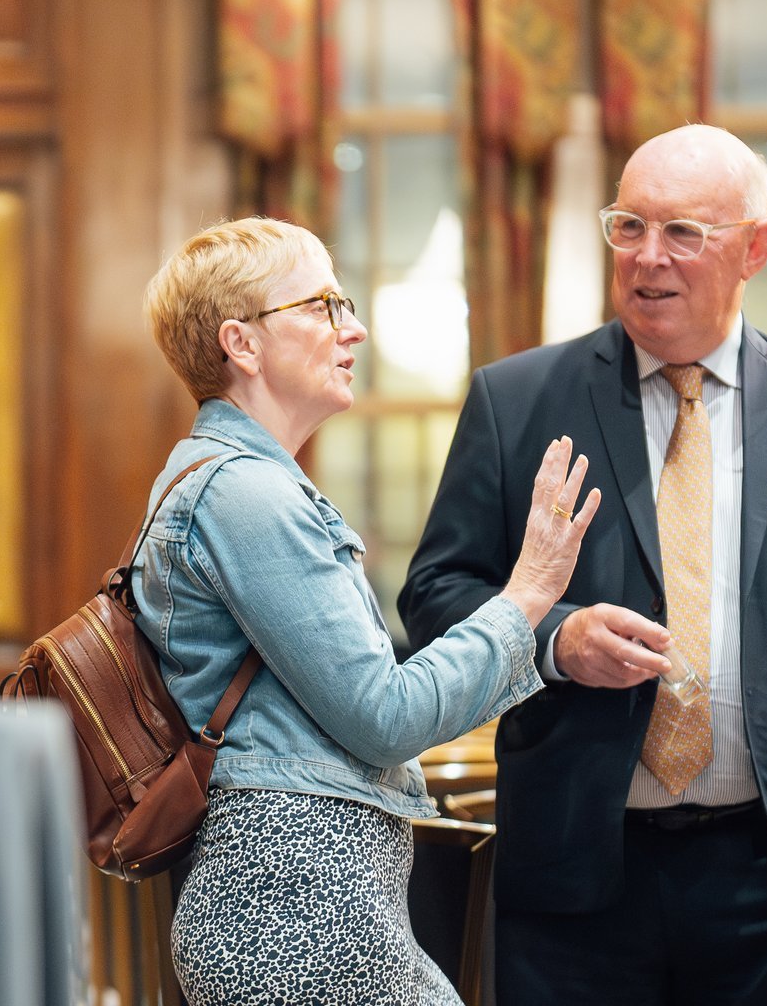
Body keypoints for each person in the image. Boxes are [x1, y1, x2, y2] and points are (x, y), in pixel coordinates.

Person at [399, 124, 767, 1006]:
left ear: (755, 248)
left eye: (681, 233)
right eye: (628, 227)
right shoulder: (515, 402)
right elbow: (435, 597)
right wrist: (553, 640)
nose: (645, 258)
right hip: (577, 874)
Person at [134, 217, 601, 1006]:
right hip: (292, 903)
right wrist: (526, 596)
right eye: (323, 305)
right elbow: (386, 716)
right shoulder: (246, 493)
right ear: (241, 344)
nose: (353, 328)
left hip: (305, 895)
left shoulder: (242, 481)